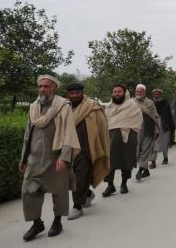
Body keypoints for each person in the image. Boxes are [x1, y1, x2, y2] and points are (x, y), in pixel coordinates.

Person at [19, 75, 80, 241]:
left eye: (46, 86)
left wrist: (64, 157)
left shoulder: (63, 106)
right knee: (28, 191)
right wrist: (24, 159)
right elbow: (27, 135)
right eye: (40, 86)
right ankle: (37, 223)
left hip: (56, 157)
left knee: (59, 191)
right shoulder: (33, 107)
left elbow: (68, 133)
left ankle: (57, 221)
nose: (42, 89)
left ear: (54, 88)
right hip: (34, 158)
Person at [66, 83, 110, 221]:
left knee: (79, 178)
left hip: (86, 148)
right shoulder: (65, 108)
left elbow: (102, 126)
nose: (74, 96)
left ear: (82, 92)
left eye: (77, 93)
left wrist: (99, 147)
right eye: (72, 93)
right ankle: (87, 194)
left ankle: (77, 206)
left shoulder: (92, 106)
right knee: (68, 178)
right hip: (67, 148)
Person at [103, 84, 142, 197]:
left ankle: (124, 183)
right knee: (109, 162)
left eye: (119, 91)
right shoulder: (109, 107)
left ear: (125, 93)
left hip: (128, 138)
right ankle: (110, 185)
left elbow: (138, 121)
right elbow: (104, 122)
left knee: (126, 161)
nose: (117, 94)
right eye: (115, 92)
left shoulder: (132, 105)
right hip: (110, 137)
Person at [134, 84, 160, 180]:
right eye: (137, 91)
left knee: (144, 150)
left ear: (144, 92)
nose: (138, 93)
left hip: (148, 130)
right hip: (135, 130)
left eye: (140, 91)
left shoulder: (150, 103)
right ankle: (146, 170)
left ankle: (140, 170)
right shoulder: (131, 102)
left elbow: (155, 116)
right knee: (138, 150)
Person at [150, 88, 174, 165]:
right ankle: (153, 161)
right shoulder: (150, 103)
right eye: (155, 94)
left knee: (164, 143)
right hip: (153, 126)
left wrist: (171, 126)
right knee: (153, 144)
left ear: (161, 95)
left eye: (158, 94)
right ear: (153, 95)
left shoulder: (165, 103)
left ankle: (165, 157)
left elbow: (169, 115)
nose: (156, 95)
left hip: (164, 125)